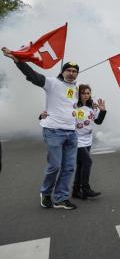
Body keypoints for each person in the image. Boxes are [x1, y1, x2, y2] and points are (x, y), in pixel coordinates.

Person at [2, 47, 79, 210]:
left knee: (69, 167)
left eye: (74, 71)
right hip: (53, 132)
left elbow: (72, 107)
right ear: (63, 72)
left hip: (72, 133)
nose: (72, 73)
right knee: (55, 166)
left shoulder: (76, 88)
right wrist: (18, 60)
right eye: (69, 70)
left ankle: (60, 198)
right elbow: (33, 76)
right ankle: (45, 192)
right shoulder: (52, 83)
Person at [40, 84, 107, 200]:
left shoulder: (93, 107)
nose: (86, 95)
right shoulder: (73, 106)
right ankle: (85, 188)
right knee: (88, 162)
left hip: (87, 139)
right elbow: (57, 114)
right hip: (75, 139)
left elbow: (98, 121)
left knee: (81, 165)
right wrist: (42, 116)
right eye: (83, 93)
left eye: (88, 93)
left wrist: (103, 111)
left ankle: (76, 191)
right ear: (78, 94)